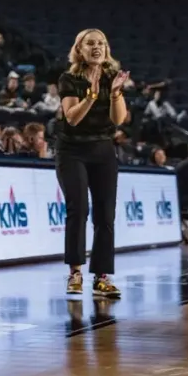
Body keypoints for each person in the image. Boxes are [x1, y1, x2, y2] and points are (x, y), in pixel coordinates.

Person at [56, 29, 130, 298]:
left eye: (101, 43)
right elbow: (72, 118)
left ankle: (102, 277)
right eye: (91, 43)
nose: (97, 47)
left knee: (105, 214)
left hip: (103, 149)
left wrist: (114, 95)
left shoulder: (113, 77)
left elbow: (119, 119)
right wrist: (92, 95)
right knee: (78, 210)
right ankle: (74, 272)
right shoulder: (69, 78)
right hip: (72, 150)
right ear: (80, 49)